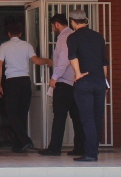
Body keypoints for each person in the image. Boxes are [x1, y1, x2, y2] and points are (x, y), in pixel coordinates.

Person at [0, 22, 49, 153]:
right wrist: (48, 61)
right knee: (22, 113)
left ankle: (24, 141)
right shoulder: (27, 45)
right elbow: (36, 61)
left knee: (11, 113)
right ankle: (18, 145)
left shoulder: (4, 46)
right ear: (20, 34)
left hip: (11, 82)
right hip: (25, 81)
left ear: (9, 34)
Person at [66, 9, 109, 162]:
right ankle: (93, 151)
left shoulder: (73, 37)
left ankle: (90, 153)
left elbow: (72, 56)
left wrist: (78, 74)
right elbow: (104, 62)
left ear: (72, 22)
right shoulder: (98, 36)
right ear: (86, 20)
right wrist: (103, 80)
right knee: (97, 118)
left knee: (87, 118)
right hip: (99, 81)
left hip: (84, 81)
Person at [40, 14, 85, 157]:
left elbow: (64, 60)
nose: (53, 29)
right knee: (77, 118)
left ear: (57, 24)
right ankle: (80, 147)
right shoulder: (75, 36)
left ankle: (54, 148)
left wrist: (54, 77)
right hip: (76, 82)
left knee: (59, 117)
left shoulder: (63, 38)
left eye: (53, 26)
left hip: (64, 83)